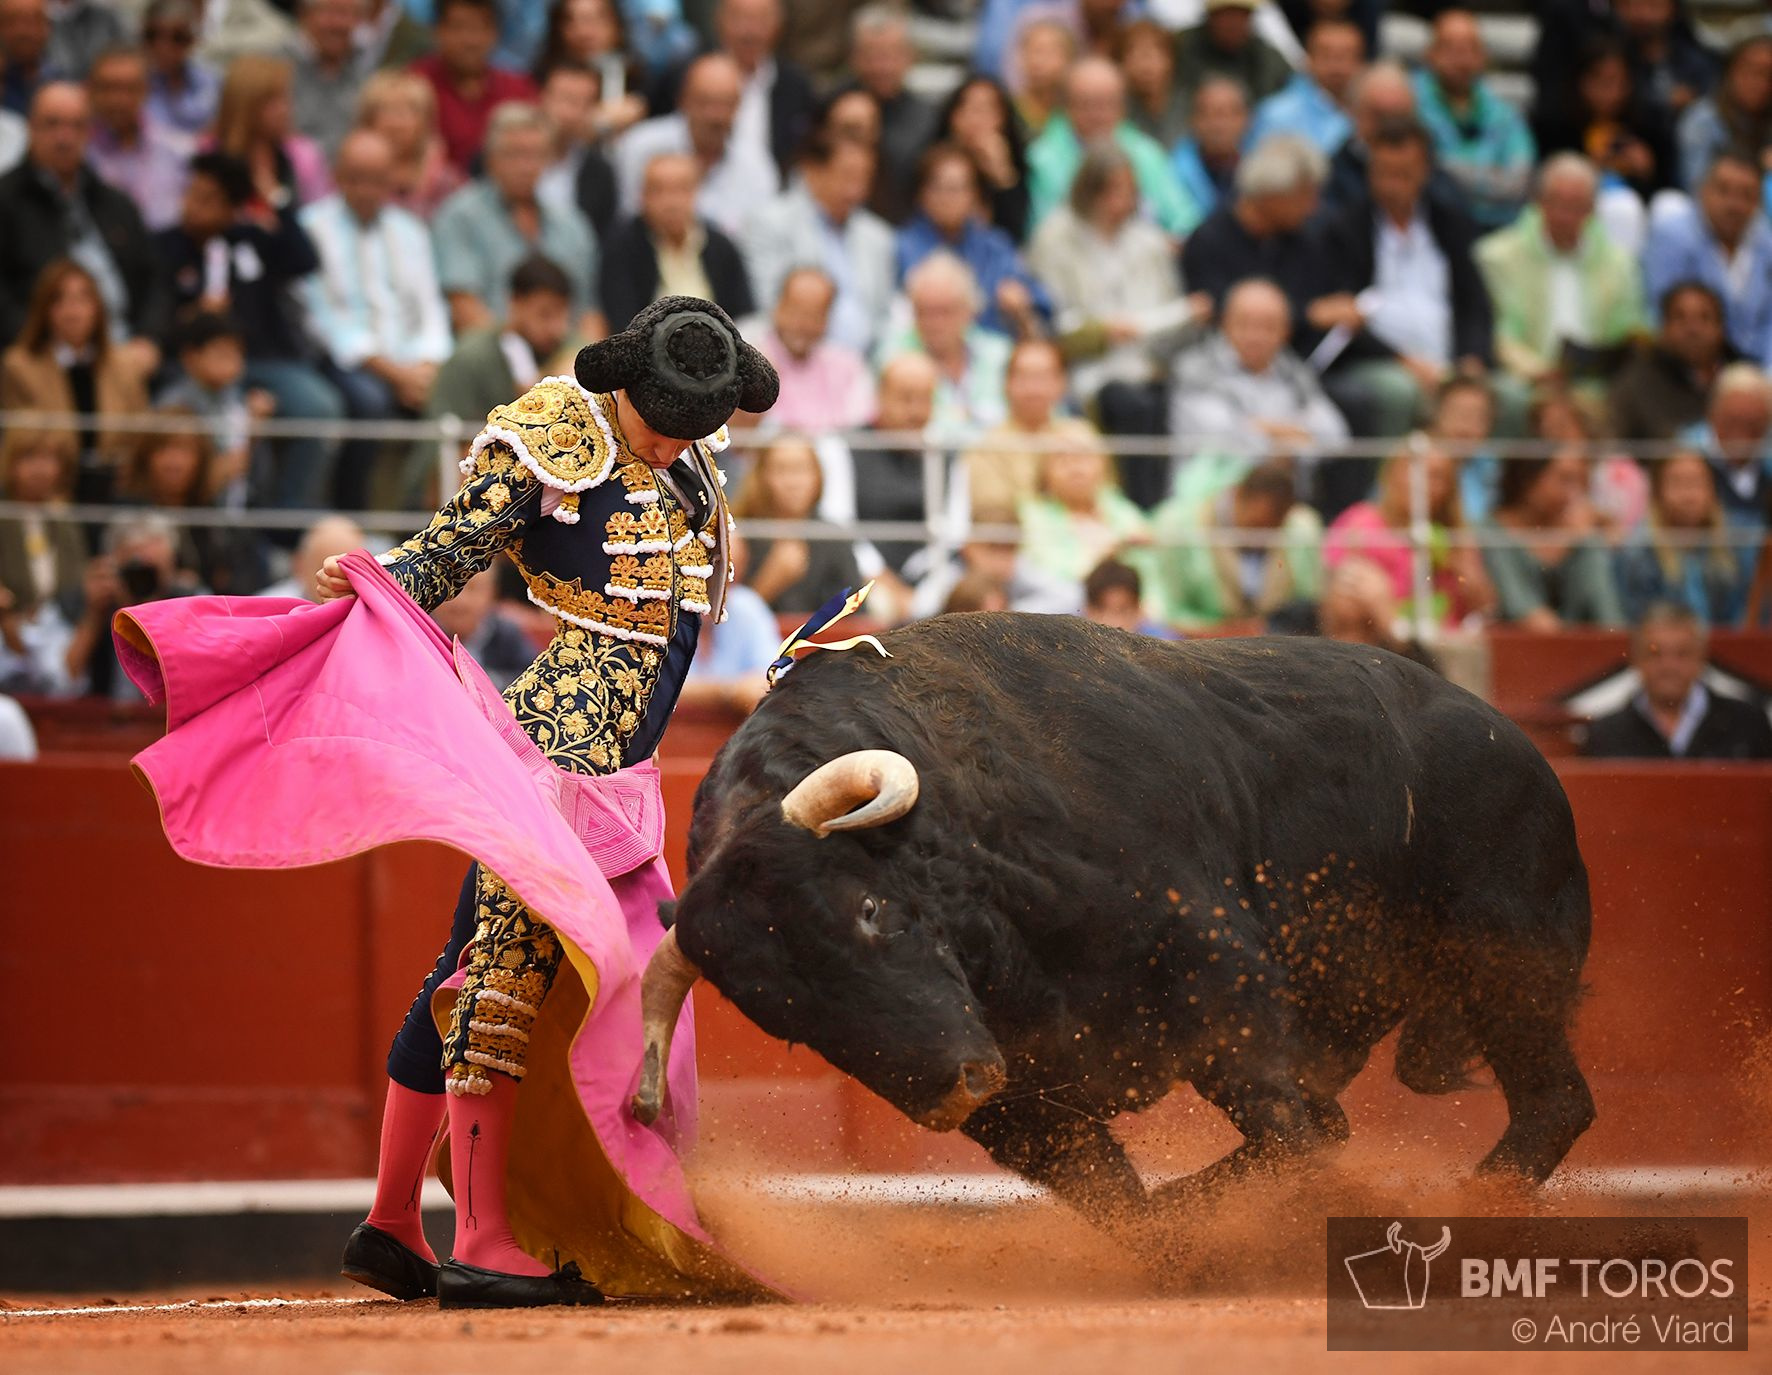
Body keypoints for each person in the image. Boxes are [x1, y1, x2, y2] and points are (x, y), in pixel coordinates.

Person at [310, 297, 779, 1308]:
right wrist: (372, 580)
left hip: (618, 765)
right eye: (658, 424)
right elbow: (451, 547)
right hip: (561, 742)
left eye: (690, 429)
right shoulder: (555, 431)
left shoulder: (689, 451)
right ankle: (481, 1238)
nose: (670, 445)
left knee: (466, 959)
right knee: (503, 973)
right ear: (624, 384)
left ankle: (390, 1224)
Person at [1308, 116, 1496, 474]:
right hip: (1378, 360)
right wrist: (1404, 361)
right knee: (1399, 392)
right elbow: (1343, 319)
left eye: (1403, 174)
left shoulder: (1450, 222)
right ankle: (1386, 490)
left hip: (1449, 359)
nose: (1392, 185)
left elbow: (1475, 303)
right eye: (1383, 173)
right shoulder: (1344, 229)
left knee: (1506, 396)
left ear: (1425, 171)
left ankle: (1484, 496)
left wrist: (1472, 357)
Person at [301, 128, 454, 509]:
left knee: (451, 391)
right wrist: (395, 374)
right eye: (356, 179)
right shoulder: (312, 228)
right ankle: (353, 511)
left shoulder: (411, 230)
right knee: (369, 400)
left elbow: (429, 306)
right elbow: (322, 319)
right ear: (337, 176)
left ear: (392, 180)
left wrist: (427, 365)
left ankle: (424, 514)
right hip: (348, 360)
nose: (366, 190)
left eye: (376, 180)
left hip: (411, 361)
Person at [1028, 142, 1206, 419]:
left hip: (1148, 363)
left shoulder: (1148, 241)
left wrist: (1189, 314)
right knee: (1123, 402)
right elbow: (1050, 322)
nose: (1120, 202)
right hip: (1086, 368)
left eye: (1128, 191)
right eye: (1110, 191)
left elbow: (1167, 311)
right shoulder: (1055, 238)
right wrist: (1102, 331)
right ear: (1088, 191)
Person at [0, 82, 169, 361]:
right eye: (52, 124)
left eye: (76, 126)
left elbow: (154, 281)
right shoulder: (7, 200)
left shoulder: (115, 202)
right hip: (39, 355)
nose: (64, 138)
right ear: (30, 128)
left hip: (124, 352)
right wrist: (35, 344)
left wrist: (149, 339)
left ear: (90, 132)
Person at [404, 254, 575, 505]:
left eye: (562, 315)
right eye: (544, 314)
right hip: (461, 494)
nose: (556, 328)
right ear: (515, 303)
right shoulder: (470, 358)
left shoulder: (568, 348)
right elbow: (439, 455)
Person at [1474, 153, 1647, 392]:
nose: (1565, 215)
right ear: (1538, 202)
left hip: (1599, 384)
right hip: (1527, 382)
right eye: (1556, 203)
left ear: (1592, 209)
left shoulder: (1620, 266)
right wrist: (1538, 372)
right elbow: (1498, 335)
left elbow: (1627, 331)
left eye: (1577, 206)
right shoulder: (1497, 256)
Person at [432, 101, 601, 338]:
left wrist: (589, 355)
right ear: (490, 158)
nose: (525, 166)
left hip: (564, 351)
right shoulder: (460, 217)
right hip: (492, 349)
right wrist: (517, 353)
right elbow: (464, 308)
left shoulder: (572, 224)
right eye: (514, 154)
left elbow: (588, 312)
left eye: (535, 155)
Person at [0, 258, 151, 506]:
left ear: (98, 308)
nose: (73, 311)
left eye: (83, 299)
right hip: (49, 494)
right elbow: (21, 441)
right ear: (44, 309)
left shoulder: (125, 366)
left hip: (116, 491)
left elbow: (141, 434)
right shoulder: (20, 366)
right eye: (60, 300)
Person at [1168, 278, 1348, 480]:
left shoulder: (1294, 372)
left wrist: (1259, 428)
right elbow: (1223, 440)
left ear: (1286, 330)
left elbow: (1334, 437)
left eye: (1268, 326)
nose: (1255, 336)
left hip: (1286, 495)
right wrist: (1296, 435)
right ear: (1224, 322)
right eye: (1244, 323)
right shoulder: (1195, 369)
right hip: (1214, 494)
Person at [741, 128, 895, 356]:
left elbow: (883, 315)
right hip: (793, 353)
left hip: (866, 361)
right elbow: (768, 303)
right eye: (847, 175)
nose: (856, 189)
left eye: (864, 178)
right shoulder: (771, 223)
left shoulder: (878, 236)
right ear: (813, 171)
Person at [1323, 435, 1494, 627]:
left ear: (1449, 488)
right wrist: (1383, 605)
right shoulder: (1358, 524)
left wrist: (1464, 572)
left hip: (1444, 636)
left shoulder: (1456, 535)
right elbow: (1339, 603)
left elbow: (1485, 609)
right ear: (1391, 473)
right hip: (1377, 635)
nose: (1421, 483)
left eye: (1436, 476)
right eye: (1413, 470)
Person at [1026, 54, 1198, 237]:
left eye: (1106, 104)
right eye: (1086, 104)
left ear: (1122, 107)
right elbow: (1039, 229)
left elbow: (1184, 221)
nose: (1096, 114)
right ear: (1067, 107)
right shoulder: (1041, 158)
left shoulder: (1146, 153)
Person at [647, 0, 815, 183]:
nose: (750, 31)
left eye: (761, 19)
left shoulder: (795, 87)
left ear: (779, 25)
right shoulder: (682, 75)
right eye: (740, 17)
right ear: (718, 20)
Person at [614, 51, 776, 238]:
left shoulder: (756, 165)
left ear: (739, 106)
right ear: (683, 100)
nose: (716, 116)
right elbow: (625, 221)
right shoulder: (640, 146)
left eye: (726, 104)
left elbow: (762, 237)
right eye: (705, 102)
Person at [894, 141, 1045, 339]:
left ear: (975, 195)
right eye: (938, 188)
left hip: (994, 347)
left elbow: (1038, 299)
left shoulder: (994, 245)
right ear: (921, 194)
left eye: (956, 189)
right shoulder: (903, 246)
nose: (946, 198)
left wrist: (1020, 302)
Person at [1148, 461, 1323, 630]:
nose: (1261, 537)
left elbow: (1310, 600)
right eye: (1256, 525)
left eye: (1274, 528)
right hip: (1198, 640)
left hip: (1274, 636)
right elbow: (1168, 611)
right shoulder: (1177, 525)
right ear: (1238, 495)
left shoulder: (1302, 528)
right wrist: (1221, 631)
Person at [1584, 603, 1772, 759]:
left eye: (1682, 654)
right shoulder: (1606, 734)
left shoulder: (1748, 724)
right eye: (1655, 654)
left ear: (1701, 659)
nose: (1668, 666)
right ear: (1636, 660)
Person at [597, 150, 754, 334]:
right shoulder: (622, 246)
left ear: (696, 192)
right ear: (642, 196)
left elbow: (744, 315)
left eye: (681, 189)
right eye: (659, 190)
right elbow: (621, 320)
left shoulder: (721, 247)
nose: (671, 202)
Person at [1642, 151, 1772, 366]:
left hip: (1755, 368)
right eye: (1724, 190)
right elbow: (1661, 316)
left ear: (1759, 203)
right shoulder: (1672, 235)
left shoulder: (1765, 242)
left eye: (1747, 195)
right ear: (1702, 190)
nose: (1734, 204)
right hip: (1687, 366)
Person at [1411, 9, 1536, 231]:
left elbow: (1518, 183)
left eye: (1471, 49)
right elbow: (1419, 173)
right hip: (1431, 226)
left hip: (1500, 229)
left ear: (1483, 56)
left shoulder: (1505, 114)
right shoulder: (1409, 104)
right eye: (1451, 48)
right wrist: (1490, 175)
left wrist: (1449, 169)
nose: (1462, 59)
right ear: (1429, 53)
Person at [1180, 131, 1325, 316]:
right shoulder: (1209, 242)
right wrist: (1309, 314)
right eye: (1304, 197)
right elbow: (1220, 311)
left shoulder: (1301, 238)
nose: (1313, 207)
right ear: (1272, 195)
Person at [1482, 450, 1625, 630]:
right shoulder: (1494, 532)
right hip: (1521, 641)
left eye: (1580, 482)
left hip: (1579, 639)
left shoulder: (1584, 535)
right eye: (1565, 479)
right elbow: (1524, 611)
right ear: (1529, 479)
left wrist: (1589, 539)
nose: (1573, 493)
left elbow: (1609, 620)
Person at [875, 251, 1011, 436]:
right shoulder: (893, 356)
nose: (935, 323)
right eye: (925, 312)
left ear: (969, 310)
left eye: (945, 312)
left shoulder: (999, 354)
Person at [1614, 449, 1754, 625]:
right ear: (1658, 492)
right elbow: (1636, 619)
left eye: (1696, 482)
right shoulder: (1638, 550)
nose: (1688, 495)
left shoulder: (1737, 542)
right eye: (1677, 483)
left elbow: (1744, 613)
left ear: (1713, 490)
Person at [962, 337, 1098, 517]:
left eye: (1043, 377)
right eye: (1024, 376)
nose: (1033, 388)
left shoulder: (1080, 434)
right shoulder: (986, 445)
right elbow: (990, 510)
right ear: (1006, 383)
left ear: (1061, 383)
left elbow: (1104, 496)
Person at [730, 433, 860, 615]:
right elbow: (726, 620)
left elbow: (854, 613)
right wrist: (769, 582)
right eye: (781, 470)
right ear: (762, 476)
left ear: (818, 476)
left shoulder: (833, 537)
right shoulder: (741, 535)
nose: (793, 482)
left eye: (801, 469)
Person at [154, 310, 273, 509]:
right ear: (190, 357)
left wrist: (255, 429)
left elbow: (256, 473)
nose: (232, 362)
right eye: (221, 353)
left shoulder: (238, 400)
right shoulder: (172, 405)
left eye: (237, 353)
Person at [409, 0, 539, 175]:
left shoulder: (518, 89)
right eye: (459, 27)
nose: (471, 40)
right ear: (437, 31)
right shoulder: (415, 84)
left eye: (480, 28)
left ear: (496, 34)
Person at [1017, 432, 1157, 593]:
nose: (1075, 469)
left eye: (1084, 457)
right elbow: (1055, 576)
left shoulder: (1116, 505)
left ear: (1103, 465)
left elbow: (1150, 558)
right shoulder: (1033, 515)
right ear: (1044, 473)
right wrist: (1109, 553)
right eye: (1062, 460)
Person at [748, 265, 874, 433]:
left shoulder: (848, 365)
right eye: (796, 312)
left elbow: (858, 426)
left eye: (815, 315)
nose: (803, 325)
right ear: (778, 307)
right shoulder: (749, 360)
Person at [1609, 280, 1734, 440]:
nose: (1693, 329)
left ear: (1721, 327)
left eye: (1704, 318)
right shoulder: (1635, 385)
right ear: (1663, 327)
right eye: (1680, 318)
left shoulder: (1744, 382)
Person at [84, 45, 191, 232]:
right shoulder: (79, 152)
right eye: (108, 88)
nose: (118, 100)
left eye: (128, 89)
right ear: (90, 90)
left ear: (145, 90)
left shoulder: (176, 151)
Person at [846, 4, 936, 224]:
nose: (882, 66)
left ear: (910, 57)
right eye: (872, 55)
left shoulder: (928, 118)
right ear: (854, 57)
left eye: (891, 55)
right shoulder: (833, 110)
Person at [211, 54, 332, 210]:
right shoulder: (209, 158)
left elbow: (320, 217)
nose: (284, 110)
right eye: (273, 101)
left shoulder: (304, 156)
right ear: (246, 105)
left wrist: (276, 198)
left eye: (285, 98)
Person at [935, 72, 1033, 244]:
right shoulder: (933, 163)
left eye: (986, 110)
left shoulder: (1016, 167)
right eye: (967, 108)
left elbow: (1017, 234)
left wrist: (1002, 174)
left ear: (1003, 119)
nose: (975, 119)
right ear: (952, 116)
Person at [354, 68, 464, 218]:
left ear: (425, 122)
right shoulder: (352, 175)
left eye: (406, 112)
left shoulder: (446, 182)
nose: (396, 124)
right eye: (386, 111)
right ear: (368, 120)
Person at [1247, 16, 1362, 157]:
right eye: (1326, 55)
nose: (1336, 65)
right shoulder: (1276, 114)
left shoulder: (1373, 110)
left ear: (1361, 62)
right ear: (1308, 59)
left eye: (1346, 55)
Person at [1677, 34, 1772, 196]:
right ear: (1730, 71)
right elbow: (1695, 186)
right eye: (1752, 71)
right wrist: (1759, 167)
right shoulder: (1702, 119)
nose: (1760, 82)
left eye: (1768, 75)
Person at [534, 59, 619, 240]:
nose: (572, 113)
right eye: (566, 99)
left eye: (585, 103)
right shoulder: (506, 156)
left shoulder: (600, 172)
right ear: (543, 97)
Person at [1686, 362, 1772, 529]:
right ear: (1712, 415)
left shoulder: (1768, 462)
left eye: (1752, 423)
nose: (1741, 435)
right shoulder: (1685, 455)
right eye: (1732, 421)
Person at [1170, 0, 1292, 116]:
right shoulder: (1180, 47)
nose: (1234, 23)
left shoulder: (1265, 56)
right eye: (1227, 15)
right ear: (1211, 16)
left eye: (1241, 15)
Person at [287, 0, 372, 158]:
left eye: (347, 14)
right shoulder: (275, 66)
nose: (338, 24)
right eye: (330, 13)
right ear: (305, 14)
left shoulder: (364, 72)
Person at [432, 567, 538, 691]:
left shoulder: (507, 634)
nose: (460, 601)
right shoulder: (421, 634)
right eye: (451, 590)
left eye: (472, 588)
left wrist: (487, 684)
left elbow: (532, 679)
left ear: (492, 593)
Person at [1169, 76, 1249, 221]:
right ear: (1193, 120)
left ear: (1245, 118)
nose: (1218, 125)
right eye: (1209, 114)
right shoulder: (1171, 169)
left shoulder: (1258, 164)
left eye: (1227, 114)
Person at [141, 0, 221, 139]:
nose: (164, 46)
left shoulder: (213, 83)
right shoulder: (130, 84)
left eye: (177, 37)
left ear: (193, 40)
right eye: (152, 35)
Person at [1118, 19, 1189, 151]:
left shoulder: (1191, 105)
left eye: (1153, 54)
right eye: (1136, 54)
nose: (1145, 65)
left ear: (1170, 60)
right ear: (1123, 63)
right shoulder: (1117, 110)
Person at [1008, 17, 1072, 138]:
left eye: (1049, 52)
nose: (1037, 61)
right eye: (1032, 51)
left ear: (1069, 59)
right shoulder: (1008, 110)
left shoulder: (1074, 112)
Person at [1080, 556, 1171, 638]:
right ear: (1087, 610)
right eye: (1101, 610)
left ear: (1139, 610)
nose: (1113, 623)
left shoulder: (1159, 640)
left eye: (1123, 611)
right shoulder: (1077, 638)